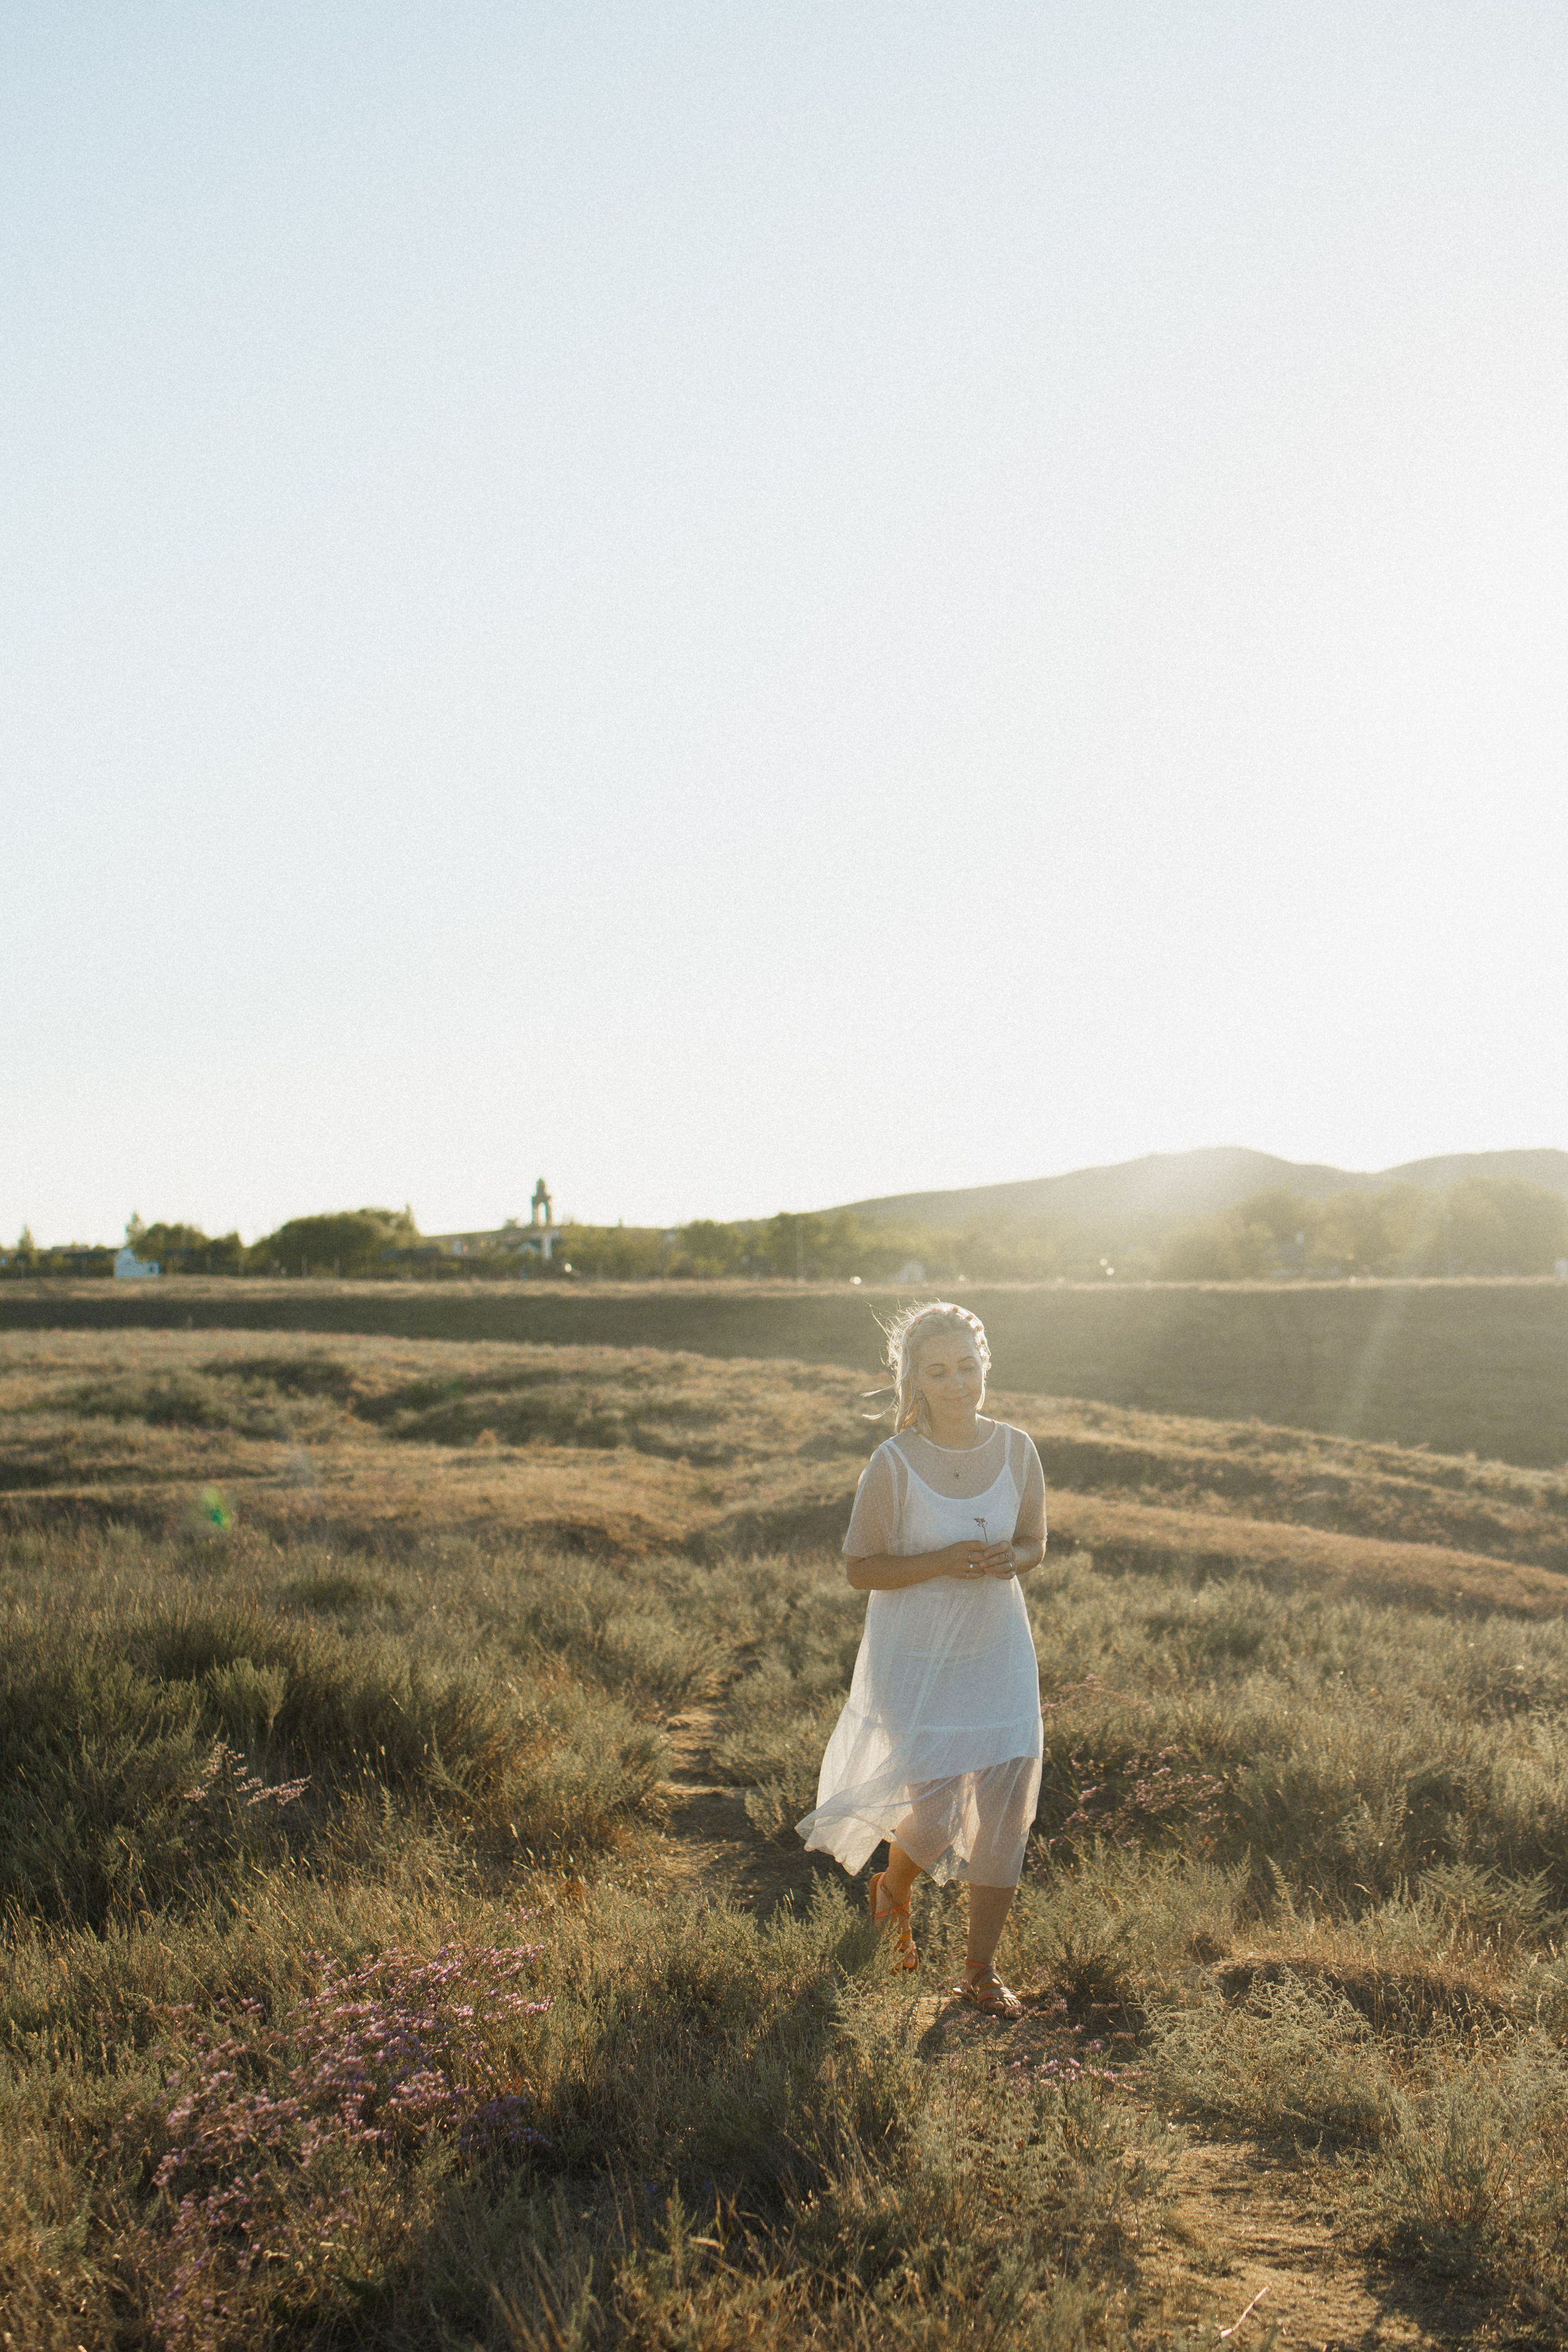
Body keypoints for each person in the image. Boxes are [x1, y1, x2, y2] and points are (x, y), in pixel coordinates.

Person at [796, 1302, 1046, 2016]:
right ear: (914, 1378)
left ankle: (978, 1972)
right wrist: (939, 1560)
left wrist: (1012, 1559)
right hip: (917, 1659)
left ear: (984, 1365)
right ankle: (891, 1889)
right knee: (933, 1820)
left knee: (1004, 1814)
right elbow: (858, 1568)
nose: (957, 1383)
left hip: (997, 1654)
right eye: (938, 1371)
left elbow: (1035, 1541)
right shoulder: (894, 1464)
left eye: (967, 1367)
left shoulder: (1017, 1448)